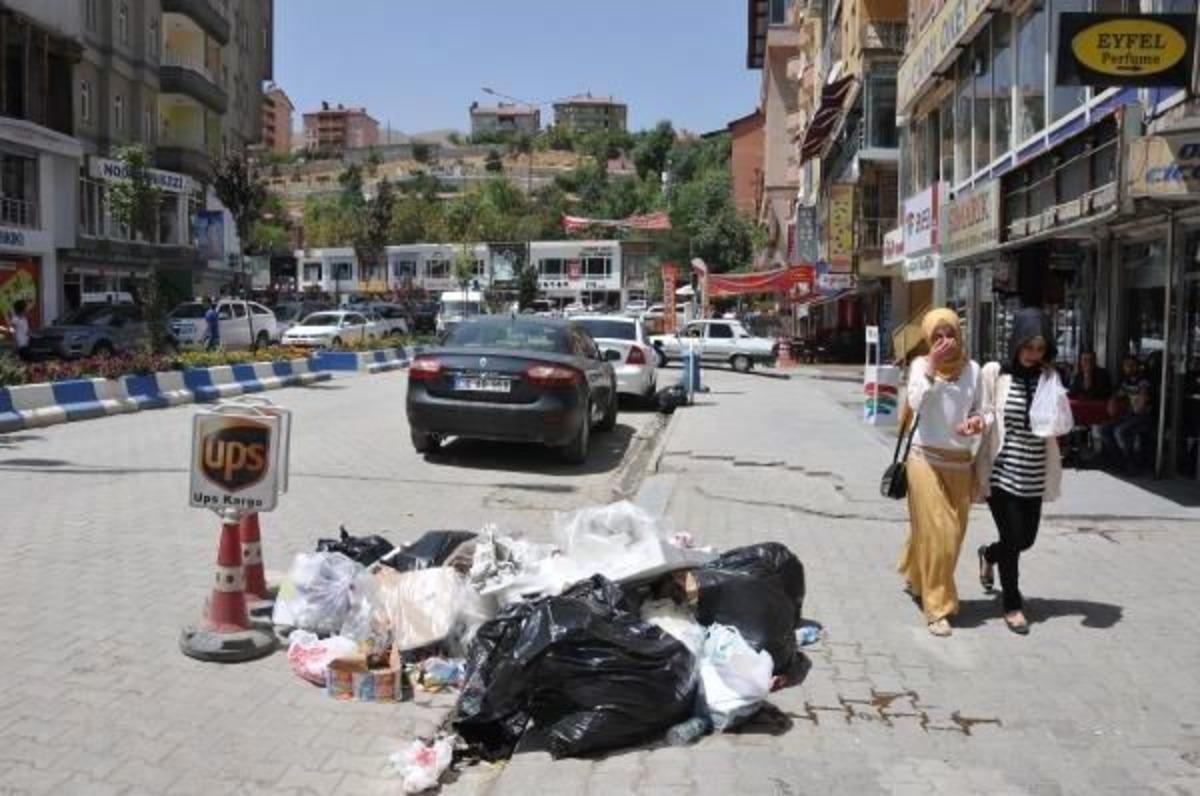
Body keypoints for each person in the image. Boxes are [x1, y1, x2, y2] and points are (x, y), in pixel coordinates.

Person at [974, 308, 1064, 635]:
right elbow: (984, 412)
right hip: (1002, 471)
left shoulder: (1050, 377)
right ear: (1016, 343)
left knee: (1025, 540)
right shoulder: (996, 373)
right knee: (1012, 540)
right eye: (1028, 346)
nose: (1033, 354)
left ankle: (989, 554)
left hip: (1034, 473)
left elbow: (1059, 420)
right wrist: (976, 423)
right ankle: (1012, 604)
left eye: (1040, 348)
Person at [897, 308, 985, 637]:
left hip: (960, 462)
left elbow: (981, 409)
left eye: (951, 335)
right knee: (941, 535)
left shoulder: (973, 370)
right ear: (928, 339)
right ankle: (937, 607)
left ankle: (916, 575)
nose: (945, 342)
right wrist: (932, 365)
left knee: (949, 536)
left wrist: (976, 421)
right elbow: (916, 402)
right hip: (924, 460)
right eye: (937, 336)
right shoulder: (921, 366)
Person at [1100, 355, 1155, 468]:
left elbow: (1142, 403)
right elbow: (1117, 395)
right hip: (1130, 416)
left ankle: (1130, 462)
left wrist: (1140, 400)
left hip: (1144, 417)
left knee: (1120, 431)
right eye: (1127, 365)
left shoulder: (1143, 382)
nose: (1129, 368)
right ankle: (1117, 460)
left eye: (1132, 365)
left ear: (1138, 367)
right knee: (1104, 429)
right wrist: (1112, 401)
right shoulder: (1126, 382)